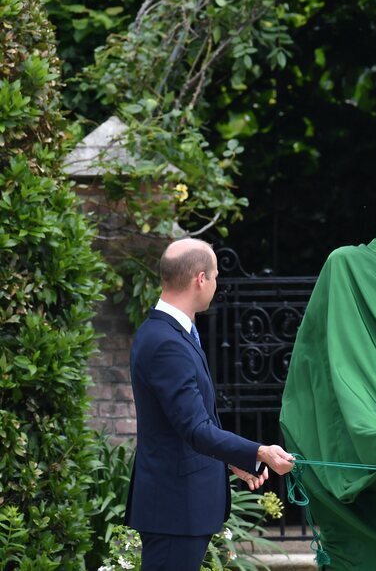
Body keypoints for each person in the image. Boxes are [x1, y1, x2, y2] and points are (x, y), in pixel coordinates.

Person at [125, 238, 296, 571]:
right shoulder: (165, 342)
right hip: (175, 508)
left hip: (179, 507)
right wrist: (259, 451)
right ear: (200, 279)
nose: (216, 284)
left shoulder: (175, 332)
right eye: (215, 276)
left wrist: (232, 460)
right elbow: (195, 428)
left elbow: (185, 422)